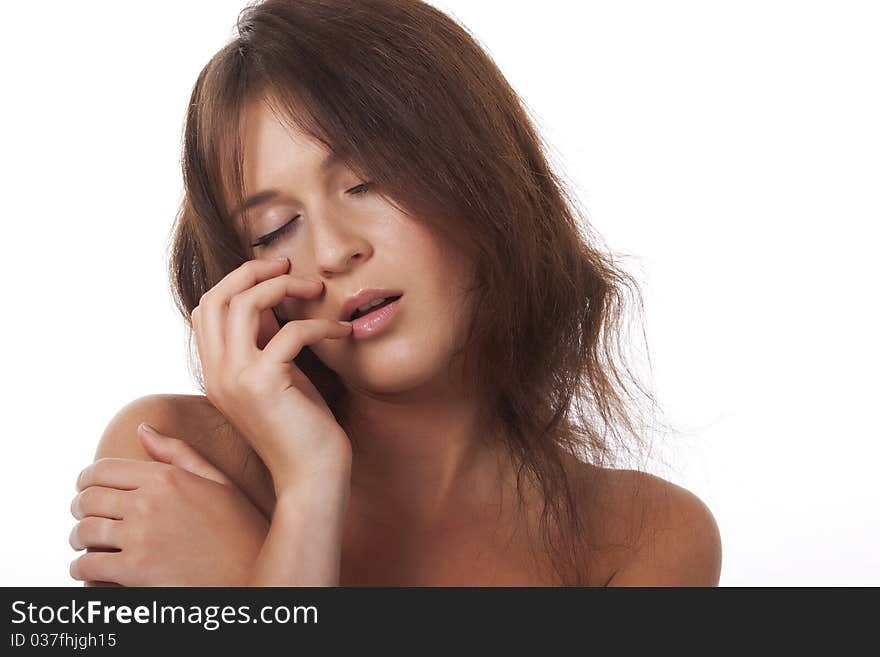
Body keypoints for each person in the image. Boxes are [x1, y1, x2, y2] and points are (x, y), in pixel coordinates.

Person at [68, 0, 721, 586]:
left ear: (481, 175)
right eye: (275, 228)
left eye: (367, 184)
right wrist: (310, 484)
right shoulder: (168, 458)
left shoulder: (644, 539)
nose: (331, 251)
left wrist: (249, 575)